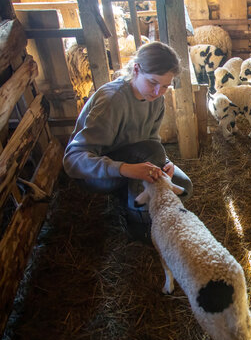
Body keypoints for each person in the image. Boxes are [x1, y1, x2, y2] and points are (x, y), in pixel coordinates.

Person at [63, 41, 193, 242]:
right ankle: (138, 224)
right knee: (151, 152)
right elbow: (73, 160)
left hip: (133, 162)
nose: (159, 91)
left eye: (166, 86)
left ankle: (130, 195)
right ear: (136, 69)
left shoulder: (155, 99)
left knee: (184, 186)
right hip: (97, 175)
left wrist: (164, 162)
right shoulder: (112, 100)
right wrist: (124, 169)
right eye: (153, 82)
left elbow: (151, 139)